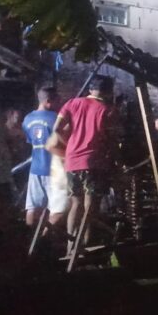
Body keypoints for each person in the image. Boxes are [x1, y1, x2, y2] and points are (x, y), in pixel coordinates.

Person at [54, 75, 120, 246]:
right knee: (90, 208)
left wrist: (70, 145)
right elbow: (112, 140)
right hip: (94, 163)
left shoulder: (71, 103)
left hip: (71, 162)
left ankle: (71, 247)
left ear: (91, 89)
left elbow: (56, 129)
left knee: (76, 204)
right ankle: (83, 247)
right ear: (108, 92)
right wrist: (116, 162)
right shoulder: (108, 110)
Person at [22, 87, 59, 227]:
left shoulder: (27, 119)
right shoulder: (55, 118)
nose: (59, 103)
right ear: (48, 101)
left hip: (35, 168)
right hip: (53, 169)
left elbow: (31, 141)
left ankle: (28, 234)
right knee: (57, 209)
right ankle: (47, 236)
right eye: (57, 100)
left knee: (33, 206)